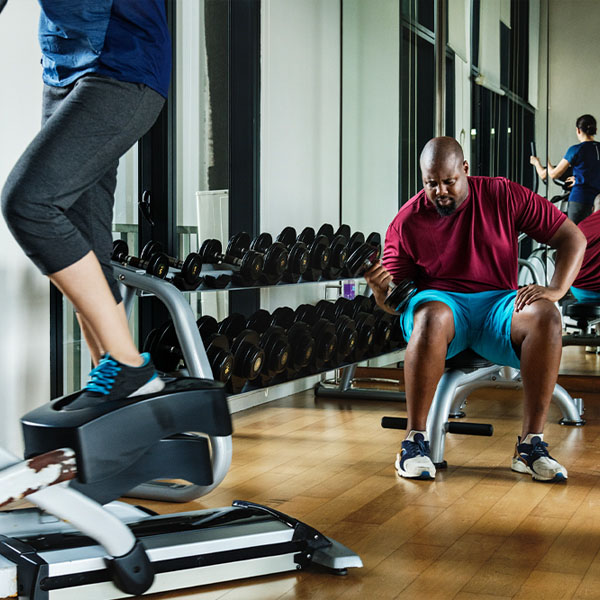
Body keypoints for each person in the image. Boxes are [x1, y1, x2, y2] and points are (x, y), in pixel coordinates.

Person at [365, 137, 586, 482]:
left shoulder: (503, 195)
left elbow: (572, 237)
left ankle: (530, 445)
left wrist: (556, 290)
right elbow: (396, 304)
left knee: (545, 315)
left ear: (465, 170)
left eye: (448, 181)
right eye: (430, 183)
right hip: (441, 307)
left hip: (497, 305)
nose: (439, 191)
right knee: (431, 315)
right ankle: (414, 442)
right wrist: (381, 293)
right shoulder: (407, 222)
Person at [0, 1, 171, 408]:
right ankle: (116, 391)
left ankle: (130, 365)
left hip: (122, 66)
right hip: (63, 71)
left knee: (28, 203)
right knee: (85, 237)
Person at [530, 114, 600, 224]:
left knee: (575, 238)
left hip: (580, 200)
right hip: (597, 201)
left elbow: (554, 174)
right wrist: (581, 179)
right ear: (595, 130)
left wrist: (544, 161)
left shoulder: (576, 149)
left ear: (578, 130)